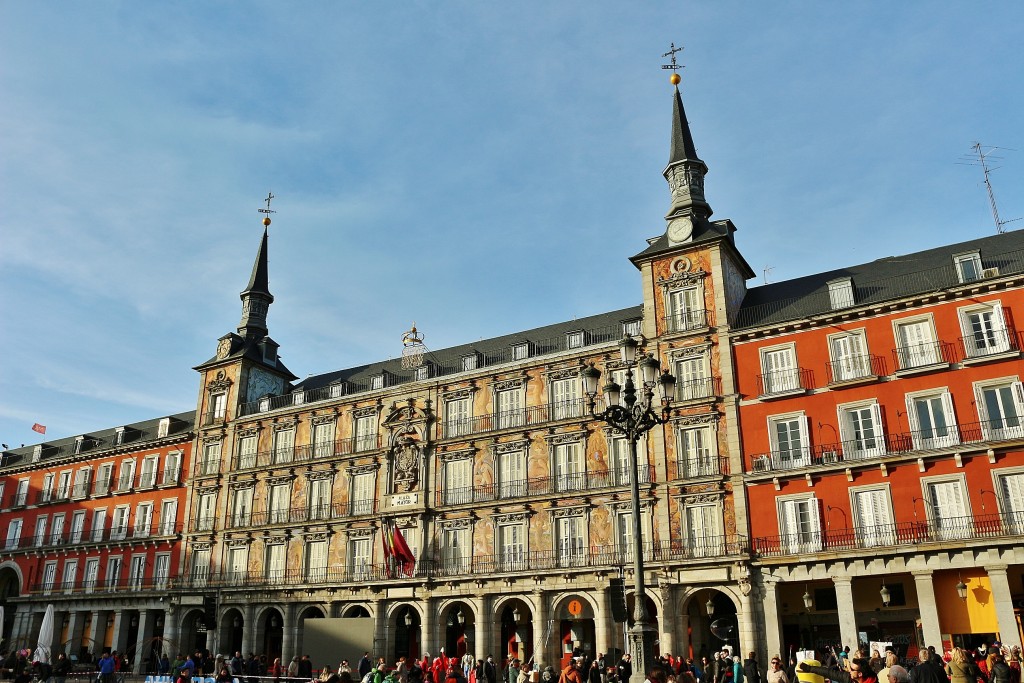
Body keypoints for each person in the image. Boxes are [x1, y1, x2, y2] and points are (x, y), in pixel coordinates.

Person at [798, 657, 879, 683]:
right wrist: (810, 668)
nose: (849, 670)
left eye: (851, 669)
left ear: (860, 674)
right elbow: (829, 673)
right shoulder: (848, 678)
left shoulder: (874, 680)